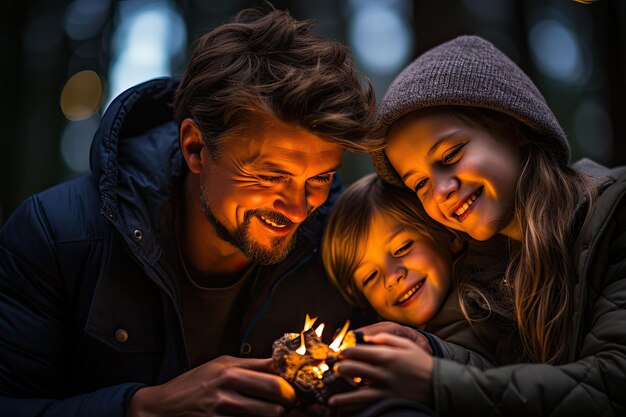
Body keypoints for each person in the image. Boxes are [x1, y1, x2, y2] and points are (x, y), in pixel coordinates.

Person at [0, 7, 379, 417]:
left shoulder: (344, 249)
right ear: (195, 148)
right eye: (270, 177)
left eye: (319, 179)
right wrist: (143, 407)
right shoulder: (57, 235)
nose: (299, 208)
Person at [328, 35, 626, 416]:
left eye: (450, 156)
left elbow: (611, 385)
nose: (441, 191)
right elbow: (507, 375)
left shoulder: (615, 216)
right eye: (419, 183)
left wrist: (434, 382)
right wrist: (430, 350)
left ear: (514, 126)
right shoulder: (483, 269)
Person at [322, 172, 517, 369]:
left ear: (450, 235)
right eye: (370, 277)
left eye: (402, 248)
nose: (391, 277)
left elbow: (488, 375)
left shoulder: (492, 304)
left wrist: (431, 352)